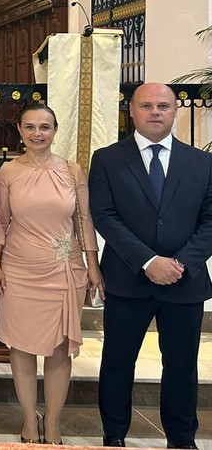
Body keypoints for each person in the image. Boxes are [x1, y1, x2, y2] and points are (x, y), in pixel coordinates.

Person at [89, 83, 212, 450]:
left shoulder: (202, 162)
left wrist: (180, 263)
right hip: (128, 278)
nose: (155, 112)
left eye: (163, 105)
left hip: (183, 282)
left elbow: (210, 221)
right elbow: (105, 216)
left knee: (181, 367)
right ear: (132, 111)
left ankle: (181, 438)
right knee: (117, 363)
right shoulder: (108, 158)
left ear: (175, 111)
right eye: (146, 105)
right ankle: (114, 435)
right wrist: (148, 261)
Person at [0, 102, 103, 445]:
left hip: (63, 268)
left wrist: (93, 264)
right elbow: (1, 222)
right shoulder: (8, 172)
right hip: (20, 268)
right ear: (19, 131)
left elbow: (83, 220)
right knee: (21, 348)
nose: (38, 133)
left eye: (45, 127)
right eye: (30, 127)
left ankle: (52, 422)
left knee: (58, 349)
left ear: (54, 131)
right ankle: (27, 419)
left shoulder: (72, 170)